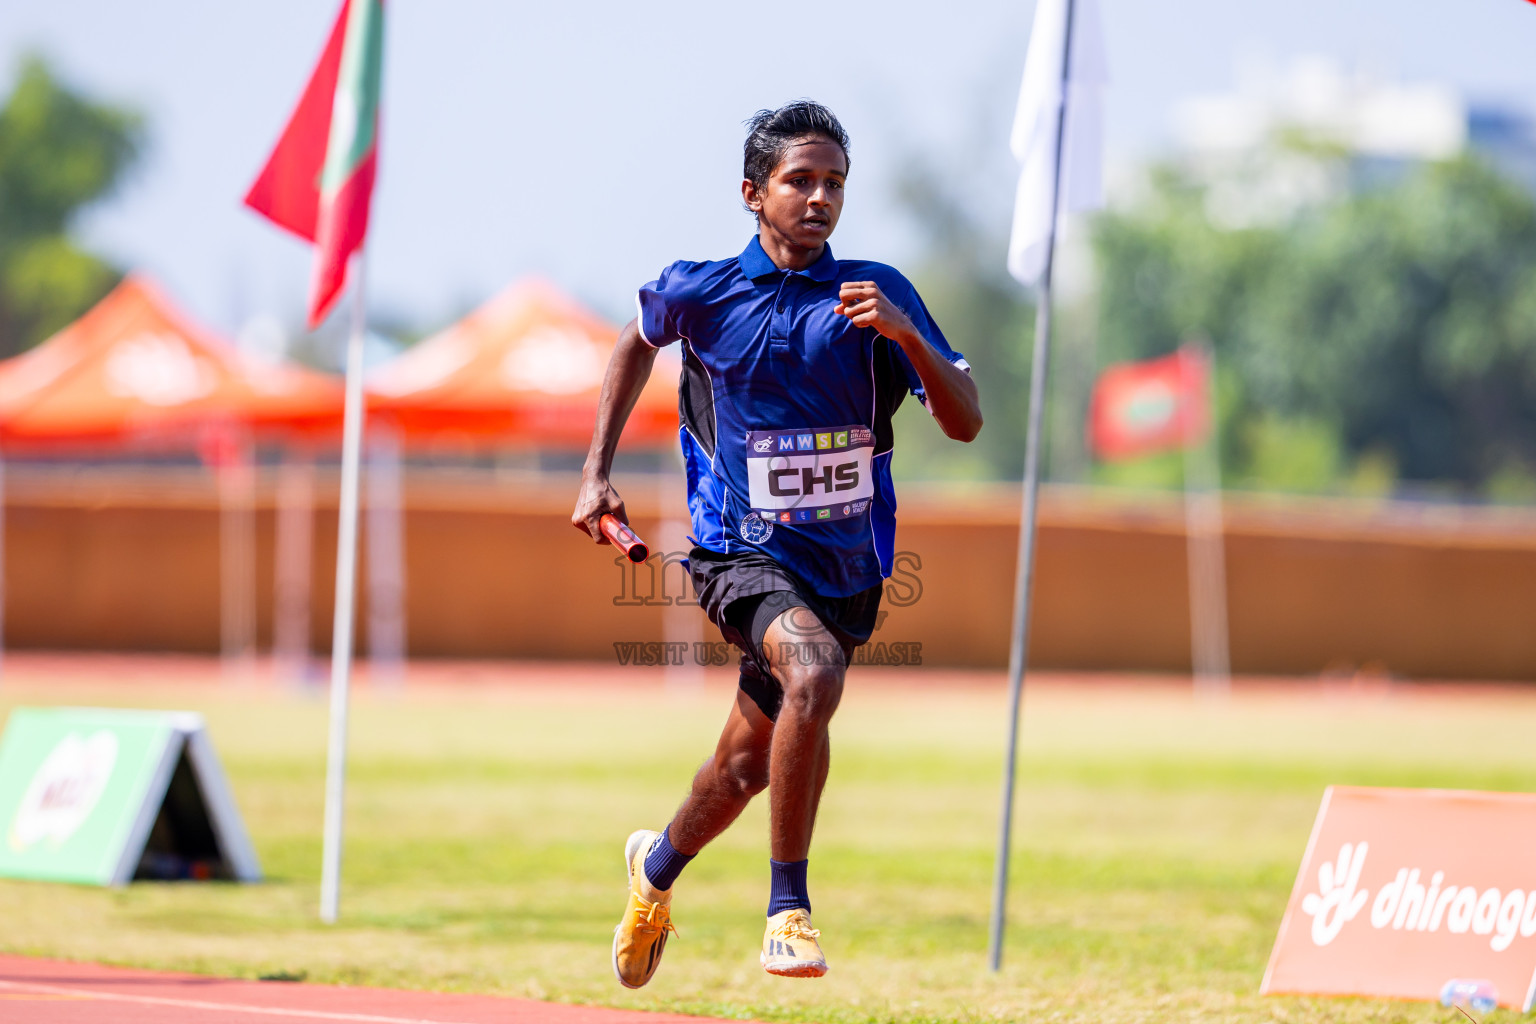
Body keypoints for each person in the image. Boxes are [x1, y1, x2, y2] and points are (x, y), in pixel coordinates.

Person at [572, 100, 982, 989]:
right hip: (736, 551)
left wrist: (905, 334)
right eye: (801, 181)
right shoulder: (704, 291)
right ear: (754, 193)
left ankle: (653, 873)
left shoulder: (877, 293)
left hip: (846, 565)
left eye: (834, 183)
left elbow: (966, 422)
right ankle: (786, 910)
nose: (820, 198)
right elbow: (633, 345)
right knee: (815, 672)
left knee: (742, 767)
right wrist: (595, 472)